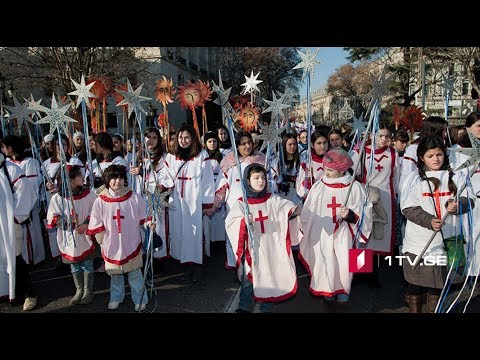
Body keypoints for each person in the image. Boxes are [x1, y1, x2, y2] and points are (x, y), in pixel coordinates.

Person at [400, 136, 474, 313]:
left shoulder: (456, 176)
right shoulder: (413, 179)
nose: (435, 159)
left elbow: (469, 199)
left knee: (437, 284)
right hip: (420, 241)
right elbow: (407, 207)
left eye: (439, 154)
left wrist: (458, 205)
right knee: (415, 284)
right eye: (430, 155)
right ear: (421, 157)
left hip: (447, 239)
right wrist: (428, 220)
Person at [299, 148, 372, 303]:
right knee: (325, 259)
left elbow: (365, 211)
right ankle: (328, 289)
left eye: (330, 170)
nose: (326, 172)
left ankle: (344, 289)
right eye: (325, 169)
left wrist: (351, 215)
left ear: (342, 170)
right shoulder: (319, 186)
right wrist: (307, 227)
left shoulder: (355, 187)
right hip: (323, 231)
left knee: (345, 260)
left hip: (346, 233)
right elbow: (309, 210)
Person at [225, 163, 299, 313]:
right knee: (248, 281)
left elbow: (287, 208)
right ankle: (244, 307)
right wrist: (244, 221)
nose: (261, 181)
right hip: (252, 249)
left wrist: (295, 210)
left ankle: (267, 307)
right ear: (247, 181)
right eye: (256, 178)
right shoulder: (241, 203)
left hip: (270, 247)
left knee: (269, 278)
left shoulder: (273, 199)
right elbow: (230, 222)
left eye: (263, 178)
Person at [87, 165, 154, 311]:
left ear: (125, 179)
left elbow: (144, 215)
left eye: (120, 178)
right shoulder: (100, 200)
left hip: (131, 241)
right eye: (113, 178)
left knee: (135, 274)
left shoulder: (134, 197)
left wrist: (149, 223)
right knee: (115, 275)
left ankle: (140, 298)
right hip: (111, 244)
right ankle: (116, 297)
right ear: (107, 180)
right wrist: (102, 240)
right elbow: (96, 221)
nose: (117, 181)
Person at [163, 125, 215, 282]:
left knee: (195, 234)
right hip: (177, 200)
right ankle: (187, 265)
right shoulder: (171, 156)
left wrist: (206, 203)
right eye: (180, 138)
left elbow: (207, 180)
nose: (183, 141)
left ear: (192, 139)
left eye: (186, 138)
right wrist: (163, 186)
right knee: (180, 233)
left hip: (194, 199)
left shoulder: (201, 155)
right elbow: (167, 176)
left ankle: (198, 266)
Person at [46, 165, 97, 305]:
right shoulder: (57, 198)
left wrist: (86, 223)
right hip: (69, 237)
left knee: (87, 263)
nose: (82, 177)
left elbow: (96, 211)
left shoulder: (89, 194)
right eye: (79, 175)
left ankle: (88, 290)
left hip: (85, 235)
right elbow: (52, 218)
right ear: (70, 180)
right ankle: (79, 290)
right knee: (74, 266)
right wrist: (68, 222)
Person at [0, 153, 37, 310]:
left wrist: (15, 218)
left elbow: (26, 192)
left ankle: (30, 294)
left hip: (7, 224)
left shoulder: (10, 169)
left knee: (15, 257)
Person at [1, 135, 45, 267]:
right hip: (11, 208)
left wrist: (19, 210)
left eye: (4, 147)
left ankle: (33, 259)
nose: (2, 150)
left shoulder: (29, 162)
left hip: (26, 206)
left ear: (10, 148)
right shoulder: (7, 164)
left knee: (30, 235)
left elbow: (31, 185)